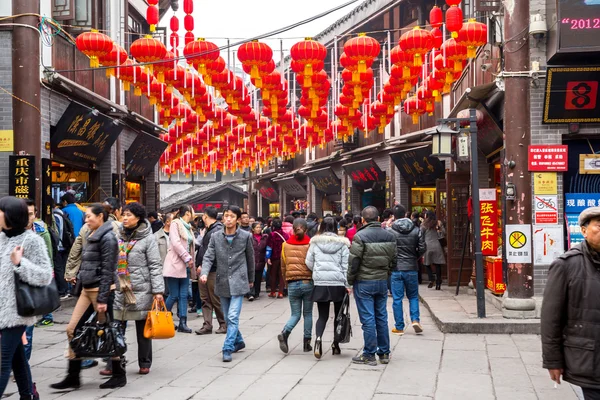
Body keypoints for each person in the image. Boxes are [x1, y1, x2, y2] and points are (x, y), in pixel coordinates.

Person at [51, 203, 122, 390]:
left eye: (90, 216)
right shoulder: (90, 234)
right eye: (86, 216)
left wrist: (102, 299)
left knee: (109, 334)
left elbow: (108, 269)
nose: (86, 219)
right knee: (72, 329)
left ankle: (118, 374)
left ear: (101, 217)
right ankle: (73, 376)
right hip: (86, 289)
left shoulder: (108, 238)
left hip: (102, 291)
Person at [541, 206, 600, 399]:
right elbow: (551, 319)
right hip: (589, 358)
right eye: (599, 226)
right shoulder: (566, 265)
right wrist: (553, 361)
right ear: (583, 230)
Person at [0, 197, 53, 399]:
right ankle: (28, 395)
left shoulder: (32, 240)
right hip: (2, 309)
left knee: (3, 363)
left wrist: (20, 263)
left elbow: (45, 275)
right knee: (17, 359)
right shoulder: (2, 238)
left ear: (10, 215)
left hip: (17, 311)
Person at [113, 203, 164, 375]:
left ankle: (145, 362)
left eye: (128, 215)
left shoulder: (147, 239)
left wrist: (158, 291)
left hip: (141, 288)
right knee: (116, 327)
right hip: (120, 288)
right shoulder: (117, 236)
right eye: (123, 215)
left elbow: (155, 265)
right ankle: (116, 362)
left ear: (138, 218)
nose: (125, 218)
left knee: (143, 329)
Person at [200, 205, 255, 362]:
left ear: (237, 219)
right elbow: (209, 256)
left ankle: (227, 347)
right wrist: (204, 272)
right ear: (222, 218)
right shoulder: (215, 236)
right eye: (226, 216)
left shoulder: (245, 236)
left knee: (232, 316)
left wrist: (251, 279)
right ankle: (239, 341)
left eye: (231, 216)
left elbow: (250, 259)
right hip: (222, 280)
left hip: (239, 280)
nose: (228, 219)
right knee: (226, 316)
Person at [348, 206, 397, 366]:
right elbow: (394, 260)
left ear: (363, 220)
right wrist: (387, 273)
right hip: (382, 280)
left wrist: (350, 279)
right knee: (381, 316)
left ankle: (369, 353)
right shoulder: (389, 236)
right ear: (377, 219)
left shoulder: (359, 236)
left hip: (364, 281)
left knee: (368, 318)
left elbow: (354, 261)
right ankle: (384, 352)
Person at [306, 217, 350, 359]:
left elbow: (309, 261)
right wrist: (347, 284)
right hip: (337, 283)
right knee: (338, 315)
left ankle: (318, 339)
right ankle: (335, 344)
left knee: (322, 315)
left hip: (321, 282)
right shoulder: (342, 244)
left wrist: (317, 271)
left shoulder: (315, 243)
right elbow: (346, 265)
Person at [390, 205, 426, 336]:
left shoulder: (390, 231)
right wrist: (414, 258)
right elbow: (422, 247)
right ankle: (415, 320)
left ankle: (399, 326)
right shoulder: (416, 230)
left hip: (396, 268)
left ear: (393, 216)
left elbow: (388, 249)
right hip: (411, 267)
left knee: (397, 298)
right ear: (406, 214)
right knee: (413, 296)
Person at [277, 219, 313, 354]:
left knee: (295, 314)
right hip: (307, 282)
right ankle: (307, 343)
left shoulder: (285, 245)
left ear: (293, 229)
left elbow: (283, 265)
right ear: (306, 229)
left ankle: (285, 333)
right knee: (308, 313)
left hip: (292, 283)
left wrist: (287, 282)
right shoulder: (310, 244)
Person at [163, 205, 195, 334]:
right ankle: (162, 317)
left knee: (183, 295)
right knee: (174, 294)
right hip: (175, 264)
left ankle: (183, 322)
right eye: (192, 212)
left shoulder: (188, 227)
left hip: (186, 265)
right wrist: (187, 257)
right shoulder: (176, 224)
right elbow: (175, 243)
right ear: (187, 213)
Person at [195, 206, 227, 335]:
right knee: (205, 299)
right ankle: (207, 324)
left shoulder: (217, 230)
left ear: (205, 216)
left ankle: (224, 324)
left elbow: (215, 252)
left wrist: (204, 266)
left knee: (215, 299)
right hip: (204, 270)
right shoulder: (208, 229)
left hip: (213, 270)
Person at [52, 200, 75, 300]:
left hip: (60, 245)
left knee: (59, 268)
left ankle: (63, 290)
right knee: (64, 267)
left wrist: (57, 243)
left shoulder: (55, 215)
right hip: (65, 244)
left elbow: (58, 231)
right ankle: (66, 289)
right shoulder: (62, 213)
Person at [421, 211, 446, 290]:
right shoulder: (438, 223)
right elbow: (443, 233)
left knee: (427, 264)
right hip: (437, 245)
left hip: (427, 245)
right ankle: (438, 283)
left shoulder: (424, 224)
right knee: (438, 264)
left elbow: (421, 236)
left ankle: (432, 278)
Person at [266, 218, 289, 298]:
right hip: (283, 257)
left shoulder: (272, 235)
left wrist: (268, 257)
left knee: (273, 274)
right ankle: (281, 292)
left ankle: (273, 292)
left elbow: (269, 247)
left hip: (274, 257)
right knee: (282, 274)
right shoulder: (285, 235)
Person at [250, 222, 268, 301]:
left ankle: (257, 292)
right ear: (253, 229)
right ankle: (251, 293)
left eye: (260, 227)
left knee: (258, 277)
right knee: (251, 277)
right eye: (257, 227)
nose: (258, 229)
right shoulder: (249, 237)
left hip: (261, 260)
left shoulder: (264, 237)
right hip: (251, 260)